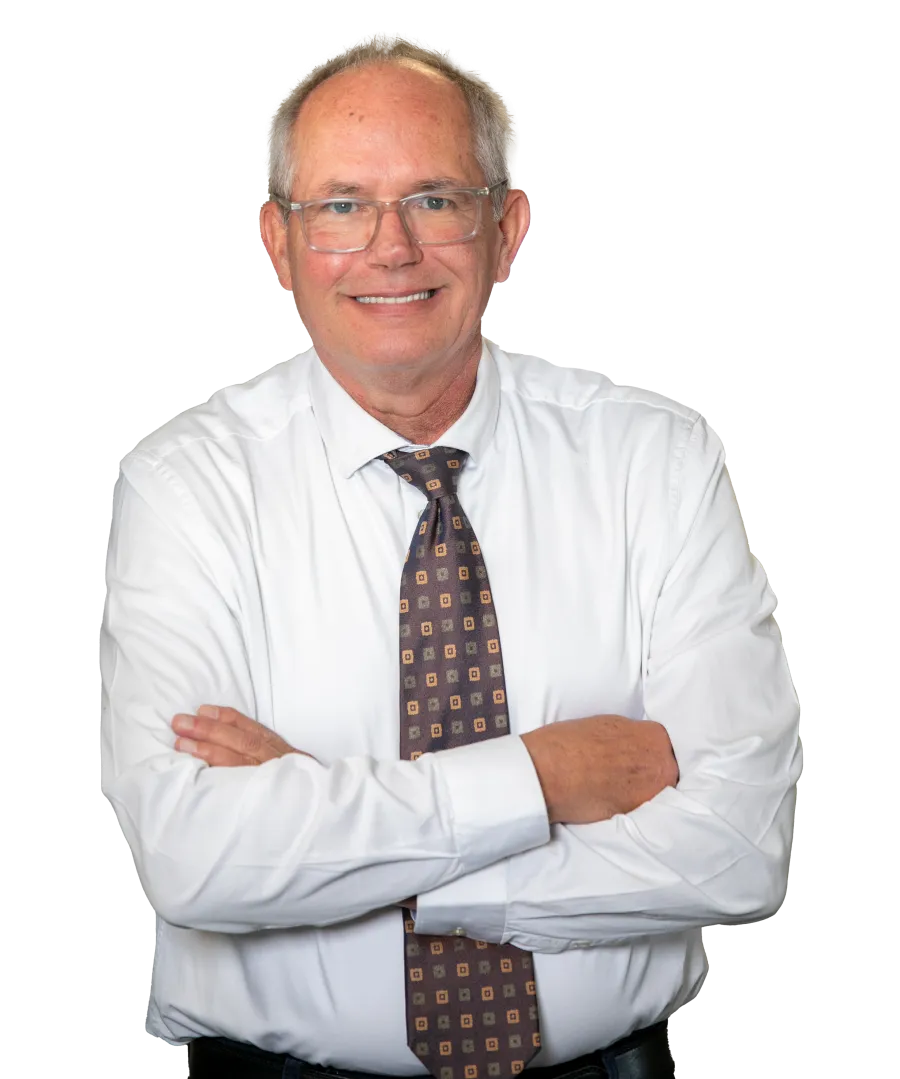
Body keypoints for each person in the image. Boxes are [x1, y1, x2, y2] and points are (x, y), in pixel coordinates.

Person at [99, 31, 802, 1079]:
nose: (389, 247)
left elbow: (742, 856)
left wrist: (342, 825)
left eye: (435, 199)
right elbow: (198, 862)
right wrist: (542, 775)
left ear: (508, 227)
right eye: (339, 205)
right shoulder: (181, 478)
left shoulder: (659, 455)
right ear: (276, 242)